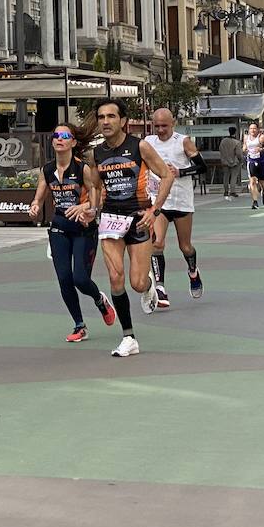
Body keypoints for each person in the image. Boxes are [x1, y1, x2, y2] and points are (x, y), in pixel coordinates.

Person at [87, 99, 175, 358]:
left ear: (123, 121)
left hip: (138, 217)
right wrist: (92, 208)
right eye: (101, 117)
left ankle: (148, 285)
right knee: (115, 278)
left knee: (136, 283)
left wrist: (154, 210)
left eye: (111, 116)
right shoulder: (97, 153)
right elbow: (95, 184)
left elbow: (166, 175)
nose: (105, 121)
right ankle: (129, 337)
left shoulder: (140, 146)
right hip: (111, 220)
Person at [27, 123, 115, 342]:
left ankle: (99, 299)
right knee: (64, 279)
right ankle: (79, 325)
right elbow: (38, 197)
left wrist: (86, 208)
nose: (59, 138)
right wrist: (35, 206)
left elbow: (97, 195)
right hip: (59, 228)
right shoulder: (47, 170)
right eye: (56, 135)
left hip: (83, 230)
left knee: (81, 279)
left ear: (73, 143)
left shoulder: (82, 168)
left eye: (64, 135)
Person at [144, 108, 208, 306]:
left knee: (185, 246)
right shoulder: (148, 143)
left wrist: (181, 171)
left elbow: (202, 166)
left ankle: (193, 272)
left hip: (181, 201)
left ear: (173, 123)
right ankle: (160, 288)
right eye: (157, 126)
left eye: (165, 125)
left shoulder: (183, 141)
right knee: (157, 243)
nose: (161, 129)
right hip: (159, 201)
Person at [243, 122, 264, 209]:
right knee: (252, 181)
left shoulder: (262, 137)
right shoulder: (246, 137)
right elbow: (244, 147)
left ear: (257, 129)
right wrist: (244, 149)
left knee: (262, 182)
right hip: (251, 161)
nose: (252, 130)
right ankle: (255, 201)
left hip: (261, 161)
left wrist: (261, 149)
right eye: (251, 128)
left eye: (254, 128)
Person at [218, 127, 242, 201]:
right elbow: (238, 153)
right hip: (234, 162)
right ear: (235, 132)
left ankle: (225, 191)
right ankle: (232, 191)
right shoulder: (236, 142)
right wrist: (241, 160)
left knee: (226, 176)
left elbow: (220, 150)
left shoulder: (223, 141)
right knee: (233, 177)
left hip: (225, 161)